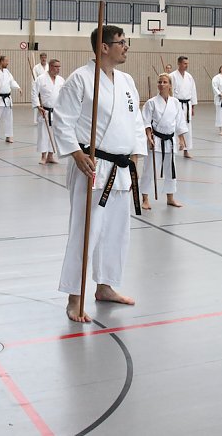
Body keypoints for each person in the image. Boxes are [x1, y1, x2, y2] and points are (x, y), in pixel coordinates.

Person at [53, 25, 146, 323]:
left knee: (116, 233)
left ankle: (105, 287)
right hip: (92, 165)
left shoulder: (127, 81)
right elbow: (61, 120)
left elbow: (136, 120)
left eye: (125, 42)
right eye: (121, 42)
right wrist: (76, 154)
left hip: (120, 168)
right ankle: (74, 298)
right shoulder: (80, 79)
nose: (126, 47)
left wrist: (135, 154)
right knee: (86, 232)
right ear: (103, 47)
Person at [140, 73, 188, 210]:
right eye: (159, 82)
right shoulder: (151, 102)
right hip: (155, 140)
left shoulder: (175, 102)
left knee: (170, 170)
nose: (161, 84)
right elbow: (146, 122)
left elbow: (179, 122)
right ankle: (145, 198)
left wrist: (181, 139)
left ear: (170, 85)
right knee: (149, 169)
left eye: (164, 82)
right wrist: (149, 136)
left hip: (170, 140)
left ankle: (170, 198)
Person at [31, 58, 64, 164]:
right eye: (56, 67)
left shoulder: (61, 80)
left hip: (57, 112)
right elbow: (34, 92)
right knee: (44, 134)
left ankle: (51, 156)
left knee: (54, 135)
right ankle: (43, 156)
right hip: (44, 111)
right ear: (50, 67)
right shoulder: (41, 79)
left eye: (59, 67)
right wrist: (37, 106)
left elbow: (65, 95)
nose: (58, 69)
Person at [0, 55, 21, 144]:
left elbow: (12, 81)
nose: (8, 63)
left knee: (9, 118)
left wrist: (18, 87)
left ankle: (8, 136)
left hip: (7, 98)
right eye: (6, 61)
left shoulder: (7, 72)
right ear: (1, 61)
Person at [169, 55, 197, 158]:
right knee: (174, 126)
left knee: (187, 127)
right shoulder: (172, 76)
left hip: (187, 105)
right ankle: (173, 149)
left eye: (187, 64)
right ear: (179, 63)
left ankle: (186, 150)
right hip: (176, 104)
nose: (186, 65)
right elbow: (170, 92)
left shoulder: (189, 77)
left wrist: (193, 106)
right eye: (185, 63)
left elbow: (193, 91)